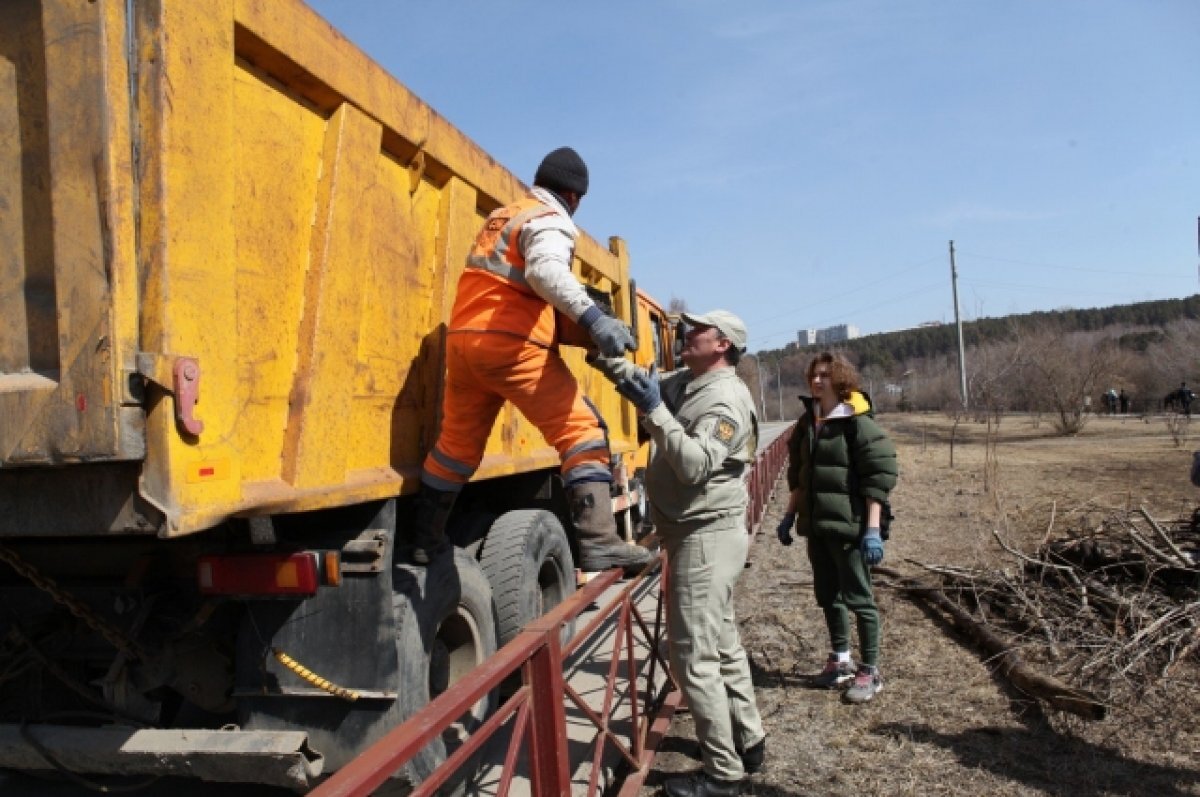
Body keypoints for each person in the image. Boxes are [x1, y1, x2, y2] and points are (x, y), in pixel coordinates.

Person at [411, 147, 652, 575]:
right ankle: (599, 542)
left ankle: (424, 542)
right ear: (574, 197)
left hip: (466, 344)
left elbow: (516, 286)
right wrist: (597, 320)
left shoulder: (504, 217)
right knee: (582, 430)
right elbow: (545, 274)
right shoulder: (550, 219)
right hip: (511, 344)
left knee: (455, 449)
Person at [591, 310, 765, 797]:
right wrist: (603, 354)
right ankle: (749, 740)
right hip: (695, 531)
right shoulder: (691, 381)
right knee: (722, 641)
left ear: (723, 344)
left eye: (698, 331)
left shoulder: (725, 399)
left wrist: (656, 411)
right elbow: (644, 383)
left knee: (691, 656)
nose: (686, 335)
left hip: (705, 535)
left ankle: (723, 774)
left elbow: (693, 466)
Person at [776, 352, 897, 704]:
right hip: (817, 526)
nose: (818, 381)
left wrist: (872, 530)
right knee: (828, 596)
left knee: (860, 599)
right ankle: (840, 660)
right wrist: (789, 515)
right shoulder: (807, 421)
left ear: (840, 378)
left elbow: (879, 478)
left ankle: (870, 670)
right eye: (814, 375)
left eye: (826, 375)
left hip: (851, 528)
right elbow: (798, 475)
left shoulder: (857, 421)